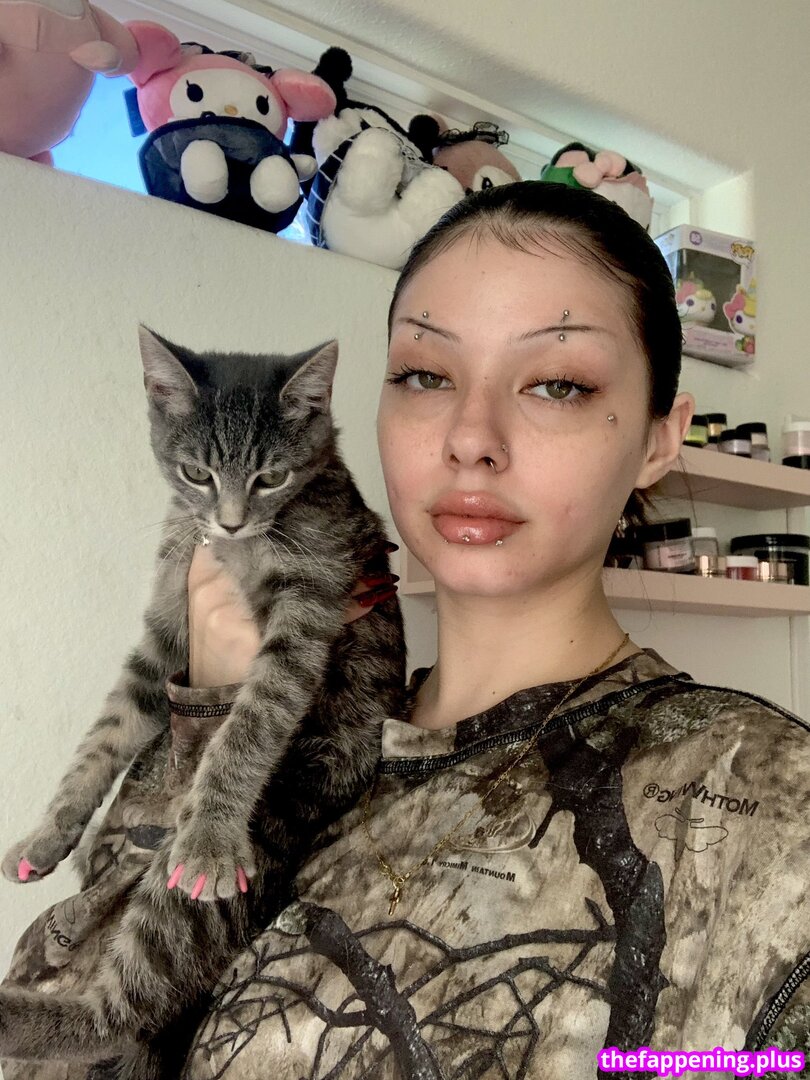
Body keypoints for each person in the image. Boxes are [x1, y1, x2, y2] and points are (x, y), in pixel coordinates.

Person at [175, 182, 810, 1079]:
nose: (472, 437)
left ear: (659, 441)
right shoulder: (295, 745)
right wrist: (211, 711)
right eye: (426, 376)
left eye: (559, 384)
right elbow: (79, 1041)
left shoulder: (768, 804)